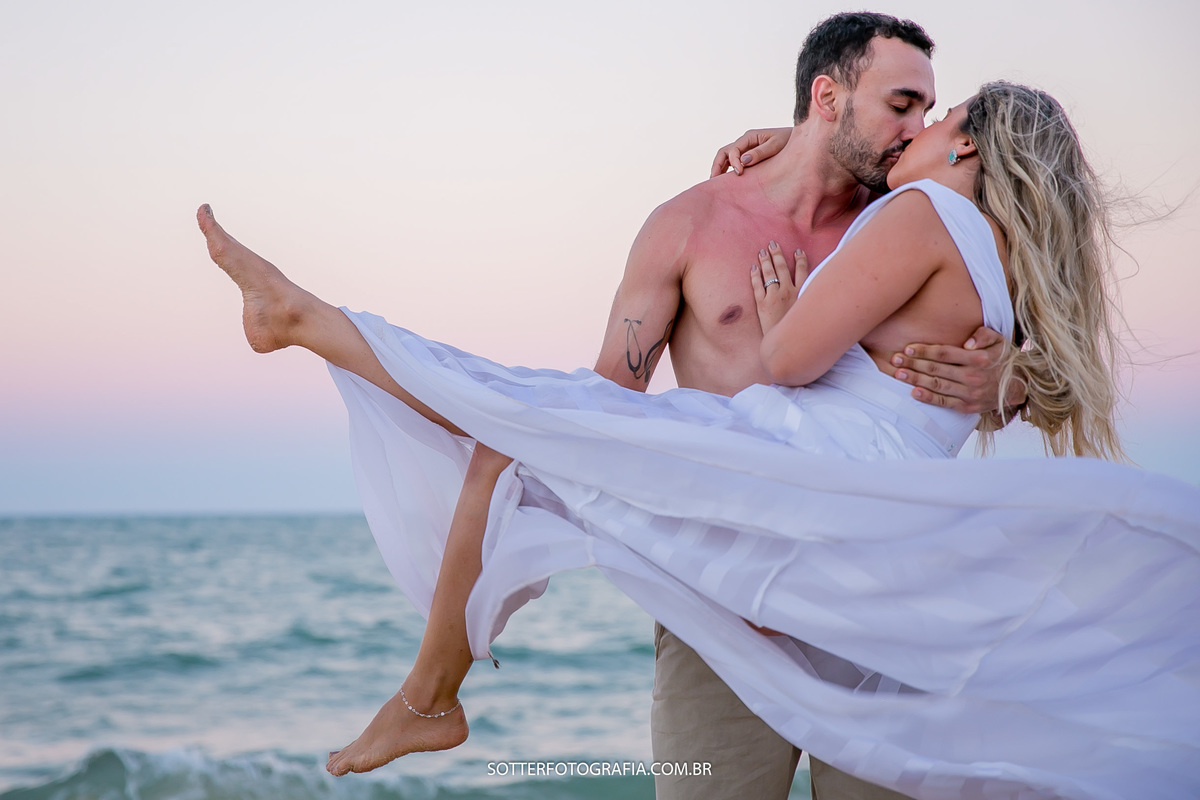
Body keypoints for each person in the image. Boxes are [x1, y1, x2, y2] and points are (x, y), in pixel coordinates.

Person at [197, 74, 1200, 800]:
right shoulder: (1004, 268)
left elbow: (795, 360)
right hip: (889, 547)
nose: (919, 129)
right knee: (539, 428)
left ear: (969, 144)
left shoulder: (923, 210)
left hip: (805, 488)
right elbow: (1026, 381)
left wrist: (777, 312)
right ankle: (310, 330)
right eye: (905, 105)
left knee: (528, 419)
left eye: (936, 115)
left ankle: (309, 329)